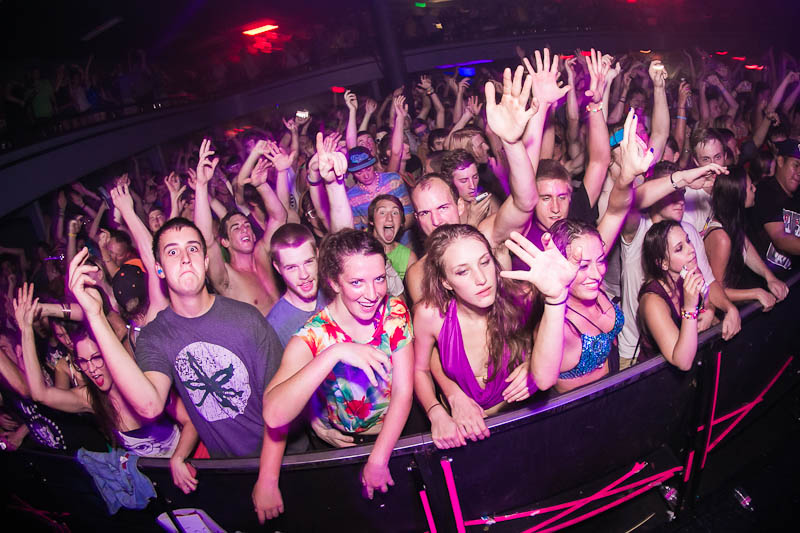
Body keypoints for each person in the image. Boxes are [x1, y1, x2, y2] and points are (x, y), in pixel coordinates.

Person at [66, 218, 294, 523]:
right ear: (159, 269)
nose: (185, 257)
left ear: (206, 260)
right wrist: (95, 316)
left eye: (193, 248)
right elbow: (149, 405)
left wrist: (268, 477)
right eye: (172, 252)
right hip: (229, 469)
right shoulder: (155, 336)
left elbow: (284, 406)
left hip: (286, 461)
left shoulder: (246, 319)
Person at [263, 229, 414, 499]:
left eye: (379, 279)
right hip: (344, 444)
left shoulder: (394, 313)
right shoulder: (313, 335)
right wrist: (334, 353)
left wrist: (378, 459)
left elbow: (404, 392)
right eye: (357, 282)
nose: (372, 294)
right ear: (334, 282)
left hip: (397, 433)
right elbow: (274, 415)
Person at [12, 283, 200, 490]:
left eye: (96, 358)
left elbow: (190, 421)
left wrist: (178, 458)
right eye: (84, 361)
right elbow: (40, 394)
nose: (91, 368)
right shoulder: (90, 398)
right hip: (156, 481)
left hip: (189, 463)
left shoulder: (141, 382)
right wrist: (26, 329)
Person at [413, 224, 578, 449]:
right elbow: (420, 369)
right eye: (462, 271)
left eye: (484, 262)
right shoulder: (430, 315)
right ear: (445, 281)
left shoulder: (523, 298)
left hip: (522, 420)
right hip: (466, 433)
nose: (481, 278)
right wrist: (435, 412)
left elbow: (559, 349)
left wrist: (534, 363)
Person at [194, 138, 285, 315]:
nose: (244, 229)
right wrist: (201, 185)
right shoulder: (227, 276)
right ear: (225, 242)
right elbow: (206, 240)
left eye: (246, 225)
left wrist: (262, 185)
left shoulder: (261, 253)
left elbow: (279, 218)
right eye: (235, 228)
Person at [548, 220, 623, 391]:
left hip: (615, 382)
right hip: (585, 402)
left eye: (600, 261)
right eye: (583, 266)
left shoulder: (591, 287)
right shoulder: (559, 324)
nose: (597, 274)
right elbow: (541, 375)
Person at [703, 167, 789, 309]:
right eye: (750, 188)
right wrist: (756, 293)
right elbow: (716, 292)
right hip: (720, 310)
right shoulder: (721, 238)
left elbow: (746, 248)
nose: (755, 189)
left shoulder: (730, 222)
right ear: (739, 196)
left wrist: (770, 278)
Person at [637, 221, 704, 370]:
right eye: (679, 248)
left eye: (688, 240)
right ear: (663, 263)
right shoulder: (652, 302)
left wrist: (709, 311)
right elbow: (683, 362)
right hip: (657, 378)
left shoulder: (688, 273)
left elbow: (708, 299)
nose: (691, 249)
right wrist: (690, 308)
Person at [266, 223, 326, 348]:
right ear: (277, 268)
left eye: (308, 262)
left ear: (317, 254)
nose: (304, 275)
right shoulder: (275, 327)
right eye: (292, 268)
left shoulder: (335, 293)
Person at [749, 139, 800, 271]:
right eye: (796, 165)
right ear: (781, 161)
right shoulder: (765, 191)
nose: (799, 172)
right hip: (762, 279)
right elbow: (780, 238)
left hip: (790, 278)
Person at [368, 194, 417, 281]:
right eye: (382, 213)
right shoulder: (360, 253)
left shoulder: (409, 258)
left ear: (401, 222)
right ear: (372, 220)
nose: (389, 218)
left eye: (395, 213)